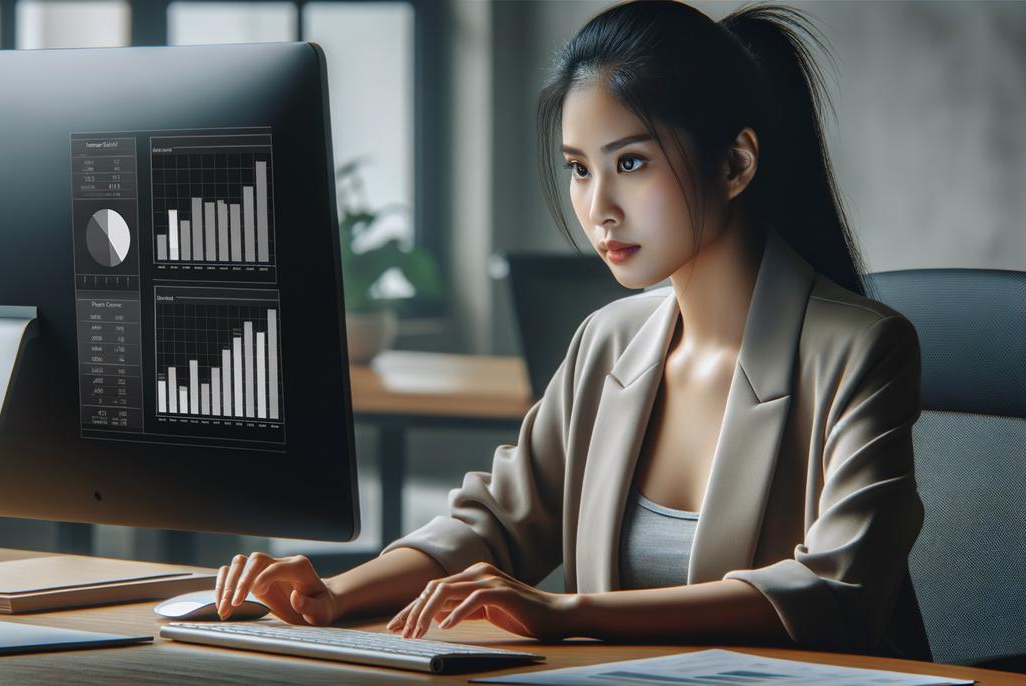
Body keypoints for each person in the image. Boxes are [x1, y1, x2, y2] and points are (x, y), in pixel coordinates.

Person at [213, 0, 928, 658]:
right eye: (580, 170)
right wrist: (336, 594)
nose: (599, 208)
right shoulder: (607, 342)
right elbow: (493, 524)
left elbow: (838, 592)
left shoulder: (860, 350)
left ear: (736, 163)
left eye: (632, 163)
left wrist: (568, 611)